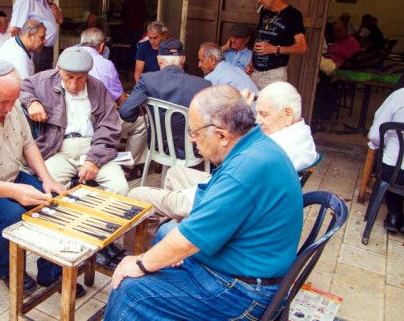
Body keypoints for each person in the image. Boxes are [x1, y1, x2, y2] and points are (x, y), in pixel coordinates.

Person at [104, 85, 303, 321]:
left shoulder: (245, 169)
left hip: (244, 292)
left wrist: (140, 264)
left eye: (195, 132)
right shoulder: (252, 145)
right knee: (167, 232)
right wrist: (171, 250)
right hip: (245, 266)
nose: (192, 139)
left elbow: (190, 238)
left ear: (221, 135)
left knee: (130, 289)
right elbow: (203, 204)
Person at [0, 60, 86, 295]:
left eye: (14, 100)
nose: (10, 107)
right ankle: (5, 269)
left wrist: (46, 178)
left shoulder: (12, 104)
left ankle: (50, 273)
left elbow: (28, 144)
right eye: (3, 102)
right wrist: (15, 192)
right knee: (13, 215)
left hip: (8, 174)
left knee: (52, 202)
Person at [129, 81, 315, 238]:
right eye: (256, 113)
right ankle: (168, 238)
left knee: (135, 195)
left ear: (288, 114)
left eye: (264, 114)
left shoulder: (270, 151)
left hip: (220, 198)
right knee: (174, 173)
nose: (257, 121)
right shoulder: (298, 137)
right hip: (227, 190)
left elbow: (234, 167)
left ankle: (149, 247)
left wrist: (234, 113)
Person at [20, 47, 128, 195]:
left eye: (80, 78)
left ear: (87, 73)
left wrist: (95, 159)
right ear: (59, 69)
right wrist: (31, 102)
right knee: (46, 189)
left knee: (120, 187)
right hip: (58, 150)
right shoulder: (44, 81)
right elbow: (19, 89)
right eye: (69, 77)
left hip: (94, 147)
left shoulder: (98, 87)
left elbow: (109, 127)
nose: (74, 84)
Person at [120, 39, 211, 159]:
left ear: (159, 59)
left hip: (159, 147)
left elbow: (126, 112)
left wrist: (143, 112)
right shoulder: (204, 84)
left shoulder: (147, 80)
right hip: (194, 148)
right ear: (183, 59)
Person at [79, 27, 147, 180]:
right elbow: (121, 102)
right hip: (95, 123)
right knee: (141, 122)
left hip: (72, 120)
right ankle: (130, 166)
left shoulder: (66, 58)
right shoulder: (105, 64)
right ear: (102, 46)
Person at [368, 85, 404, 236]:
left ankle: (394, 215)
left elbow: (376, 134)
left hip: (392, 170)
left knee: (388, 171)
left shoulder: (401, 95)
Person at [247, 0, 307, 89]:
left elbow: (302, 47)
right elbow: (259, 40)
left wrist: (275, 49)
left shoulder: (293, 15)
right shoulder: (266, 12)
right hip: (254, 73)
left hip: (273, 76)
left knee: (269, 106)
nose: (258, 0)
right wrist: (251, 64)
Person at [10, 0, 63, 73]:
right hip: (36, 49)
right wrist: (24, 51)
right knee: (40, 82)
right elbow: (14, 29)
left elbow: (60, 20)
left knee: (45, 80)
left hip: (47, 48)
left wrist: (51, 2)